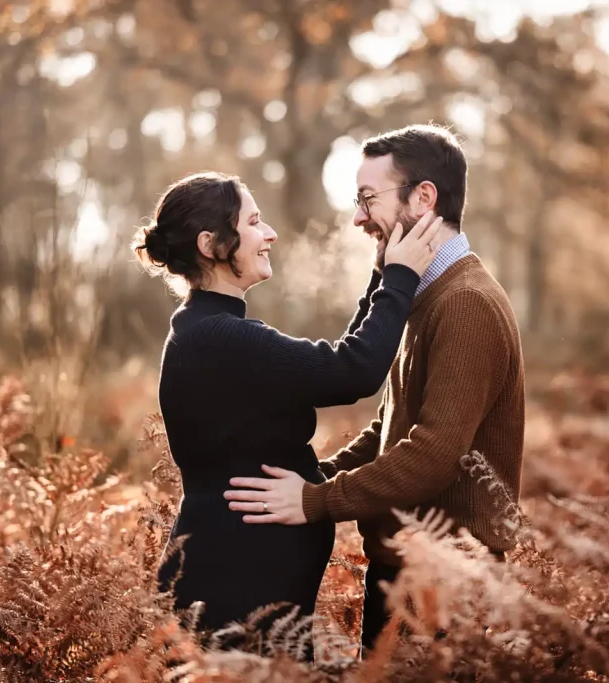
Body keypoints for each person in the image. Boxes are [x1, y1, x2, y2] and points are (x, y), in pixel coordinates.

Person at [223, 124, 526, 657]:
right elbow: (392, 431)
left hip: (446, 589)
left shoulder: (465, 305)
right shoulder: (429, 296)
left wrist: (315, 501)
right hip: (409, 576)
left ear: (423, 198)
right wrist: (305, 480)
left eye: (368, 199)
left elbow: (432, 455)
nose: (358, 217)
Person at [132, 170, 445, 661]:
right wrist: (399, 278)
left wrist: (384, 273)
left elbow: (344, 359)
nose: (269, 233)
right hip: (233, 584)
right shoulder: (223, 338)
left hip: (245, 580)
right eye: (254, 222)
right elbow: (354, 370)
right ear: (213, 244)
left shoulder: (210, 330)